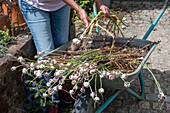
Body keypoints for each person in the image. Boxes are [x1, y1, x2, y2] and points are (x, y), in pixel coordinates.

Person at [18, 0, 110, 54]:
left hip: (60, 4)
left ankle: (60, 84)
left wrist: (99, 2)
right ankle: (47, 86)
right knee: (46, 53)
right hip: (34, 5)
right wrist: (79, 10)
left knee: (62, 47)